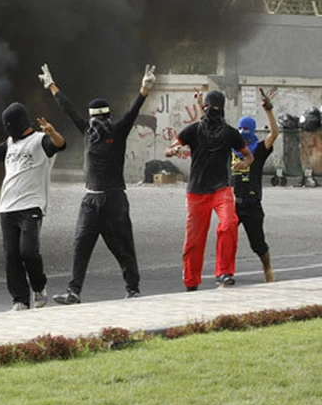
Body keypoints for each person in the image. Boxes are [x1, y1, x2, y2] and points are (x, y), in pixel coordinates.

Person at [38, 64, 156, 304]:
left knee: (124, 246)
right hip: (91, 200)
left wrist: (144, 88)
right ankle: (74, 292)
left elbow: (134, 111)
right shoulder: (88, 130)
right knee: (81, 244)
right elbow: (68, 109)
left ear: (97, 116)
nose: (93, 124)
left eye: (94, 119)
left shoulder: (117, 130)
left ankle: (133, 289)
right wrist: (51, 85)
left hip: (114, 200)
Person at [0, 99, 66, 311]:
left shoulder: (40, 140)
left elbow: (59, 144)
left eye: (9, 125)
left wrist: (52, 132)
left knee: (28, 251)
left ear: (18, 123)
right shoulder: (10, 143)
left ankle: (39, 287)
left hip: (31, 205)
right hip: (7, 207)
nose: (8, 130)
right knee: (12, 256)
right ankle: (20, 299)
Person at [164, 90, 253, 291]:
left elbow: (248, 155)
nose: (210, 111)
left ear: (221, 109)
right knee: (194, 239)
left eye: (214, 107)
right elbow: (169, 148)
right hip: (196, 191)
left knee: (229, 223)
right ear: (203, 108)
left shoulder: (231, 133)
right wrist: (174, 150)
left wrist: (243, 163)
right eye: (207, 107)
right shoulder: (193, 130)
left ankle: (224, 272)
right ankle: (191, 281)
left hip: (221, 189)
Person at [232, 91, 279, 283]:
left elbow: (274, 134)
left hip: (252, 204)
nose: (243, 132)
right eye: (240, 128)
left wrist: (268, 110)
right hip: (233, 203)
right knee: (226, 238)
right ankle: (225, 274)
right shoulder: (230, 148)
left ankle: (267, 267)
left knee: (257, 243)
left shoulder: (258, 150)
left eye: (247, 128)